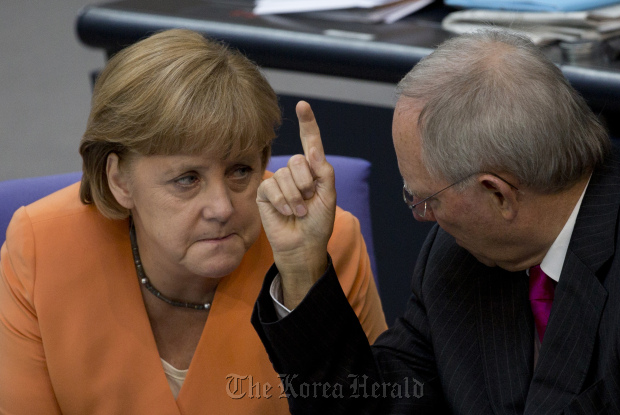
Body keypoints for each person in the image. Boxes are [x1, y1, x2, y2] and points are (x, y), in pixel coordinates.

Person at [252, 30, 620, 414]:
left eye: (425, 199)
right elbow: (377, 406)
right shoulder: (458, 257)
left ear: (497, 194)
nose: (423, 217)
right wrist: (302, 266)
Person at [0, 29, 386, 414]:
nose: (222, 207)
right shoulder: (40, 247)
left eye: (240, 171)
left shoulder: (324, 245)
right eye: (187, 179)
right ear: (119, 180)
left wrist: (303, 282)